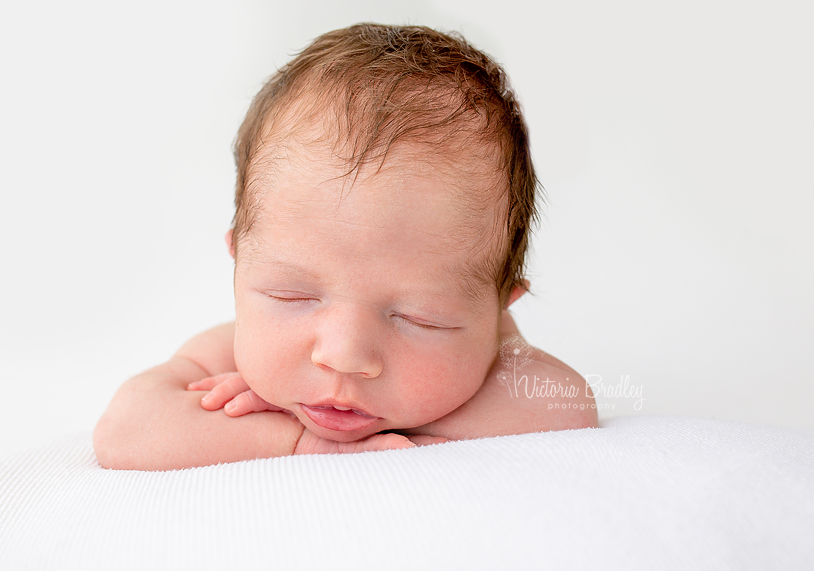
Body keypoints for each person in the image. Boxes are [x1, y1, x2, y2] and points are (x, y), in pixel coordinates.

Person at [93, 23, 597, 471]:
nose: (344, 356)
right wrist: (299, 441)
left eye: (420, 319)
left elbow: (569, 405)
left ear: (499, 306)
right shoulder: (221, 357)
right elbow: (125, 433)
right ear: (238, 262)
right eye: (293, 297)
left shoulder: (496, 351)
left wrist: (395, 423)